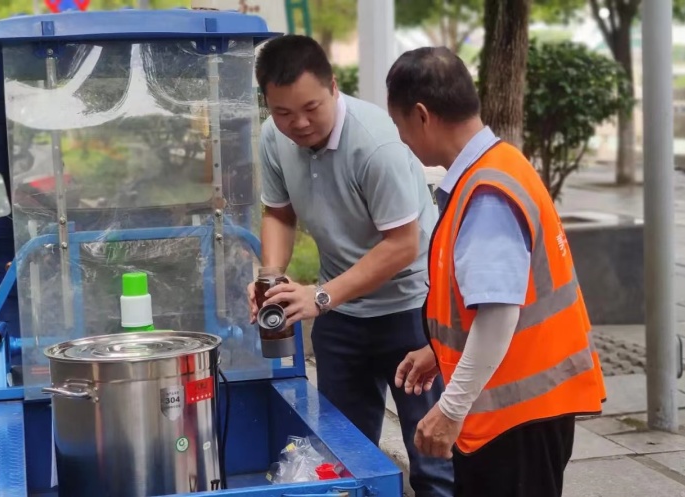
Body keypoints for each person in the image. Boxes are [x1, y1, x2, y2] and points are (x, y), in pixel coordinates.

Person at [387, 47, 607, 497]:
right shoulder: (501, 164)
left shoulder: (486, 193)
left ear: (422, 116)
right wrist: (438, 351)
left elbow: (499, 314)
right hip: (527, 410)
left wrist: (449, 409)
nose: (402, 139)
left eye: (399, 125)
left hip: (516, 420)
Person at [248, 35, 454, 497]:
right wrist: (270, 277)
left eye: (311, 108)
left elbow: (403, 245)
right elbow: (279, 212)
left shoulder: (375, 142)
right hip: (341, 315)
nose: (299, 123)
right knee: (342, 457)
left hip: (411, 310)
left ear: (333, 87)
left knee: (432, 458)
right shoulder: (273, 137)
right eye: (283, 112)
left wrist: (320, 296)